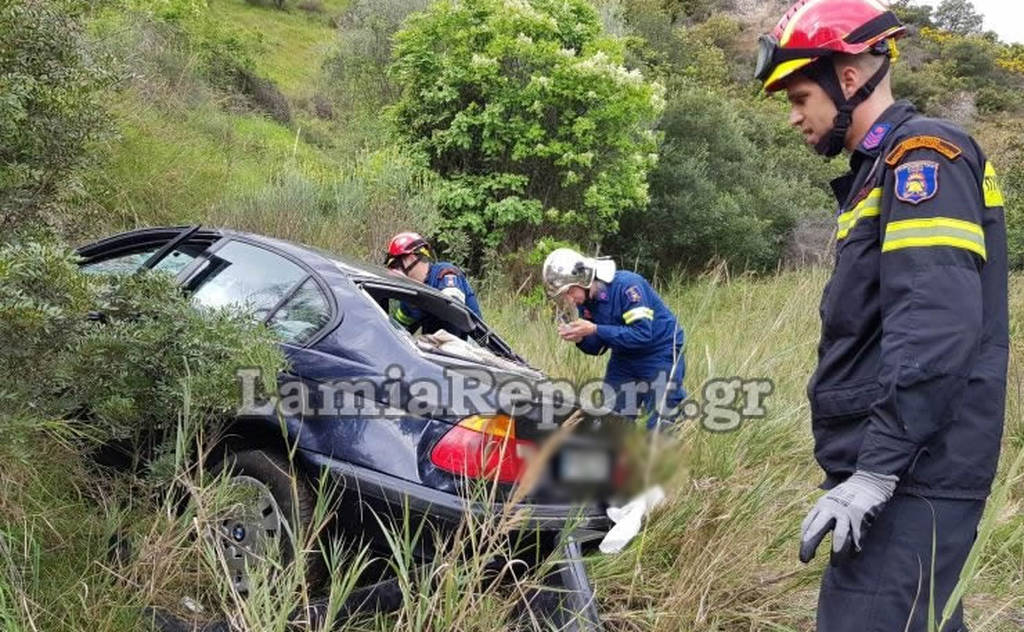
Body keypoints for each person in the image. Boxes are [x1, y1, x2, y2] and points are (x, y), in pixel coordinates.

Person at [754, 1, 1008, 630]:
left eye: (799, 95)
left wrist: (875, 472)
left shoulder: (922, 156)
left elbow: (934, 327)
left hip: (913, 472)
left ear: (847, 78)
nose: (793, 117)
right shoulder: (877, 172)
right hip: (905, 467)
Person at [542, 248, 686, 429]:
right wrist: (580, 338)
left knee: (660, 421)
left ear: (582, 279)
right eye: (564, 297)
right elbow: (598, 347)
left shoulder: (628, 287)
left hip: (659, 351)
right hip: (624, 357)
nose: (570, 300)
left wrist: (594, 328)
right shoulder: (586, 303)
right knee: (610, 419)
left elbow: (642, 334)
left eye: (569, 292)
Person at [383, 232, 482, 331]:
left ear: (411, 258)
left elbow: (453, 313)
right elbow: (399, 328)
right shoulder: (411, 292)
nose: (395, 271)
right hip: (435, 344)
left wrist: (418, 301)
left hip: (466, 344)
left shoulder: (445, 274)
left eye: (396, 264)